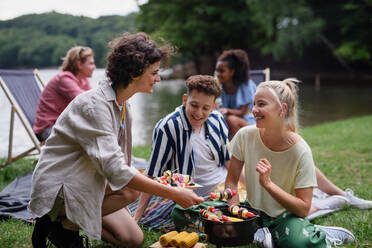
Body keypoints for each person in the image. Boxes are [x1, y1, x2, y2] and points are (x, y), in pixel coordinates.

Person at [29, 32, 204, 248]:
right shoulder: (95, 106)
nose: (158, 78)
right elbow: (117, 172)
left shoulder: (122, 104)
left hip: (89, 179)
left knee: (132, 239)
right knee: (131, 190)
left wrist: (161, 182)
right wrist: (173, 193)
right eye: (154, 72)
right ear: (135, 73)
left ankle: (65, 221)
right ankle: (60, 226)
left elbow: (122, 163)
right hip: (60, 185)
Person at [224, 78, 355, 247]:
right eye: (254, 104)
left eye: (261, 104)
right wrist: (236, 211)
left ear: (282, 109)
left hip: (286, 216)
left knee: (298, 243)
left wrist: (269, 184)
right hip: (252, 212)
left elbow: (302, 208)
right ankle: (261, 233)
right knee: (194, 213)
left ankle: (321, 235)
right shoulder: (245, 135)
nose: (254, 110)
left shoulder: (301, 151)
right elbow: (232, 182)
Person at [134, 75, 233, 223]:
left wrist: (246, 184)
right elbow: (152, 174)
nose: (199, 113)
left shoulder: (217, 120)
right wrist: (137, 217)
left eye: (206, 108)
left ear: (213, 107)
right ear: (185, 100)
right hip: (187, 196)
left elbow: (228, 161)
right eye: (194, 105)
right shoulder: (168, 127)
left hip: (221, 187)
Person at [33, 46, 96, 142]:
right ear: (79, 64)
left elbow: (94, 100)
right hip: (49, 129)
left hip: (64, 125)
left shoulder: (83, 79)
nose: (94, 67)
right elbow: (84, 101)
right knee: (91, 136)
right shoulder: (64, 79)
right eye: (91, 63)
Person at [215, 49, 256, 139]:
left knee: (230, 119)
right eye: (217, 71)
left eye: (222, 71)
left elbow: (243, 112)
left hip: (248, 122)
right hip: (228, 121)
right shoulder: (220, 86)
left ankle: (235, 150)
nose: (218, 74)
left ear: (232, 72)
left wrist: (227, 110)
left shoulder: (245, 85)